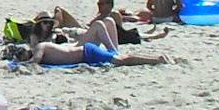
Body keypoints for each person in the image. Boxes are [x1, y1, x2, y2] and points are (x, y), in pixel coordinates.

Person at [9, 37, 174, 68]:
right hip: (86, 55)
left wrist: (19, 65)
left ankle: (156, 59)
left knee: (121, 61)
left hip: (87, 53)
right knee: (121, 60)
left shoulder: (39, 48)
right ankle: (155, 59)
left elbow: (34, 63)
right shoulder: (40, 48)